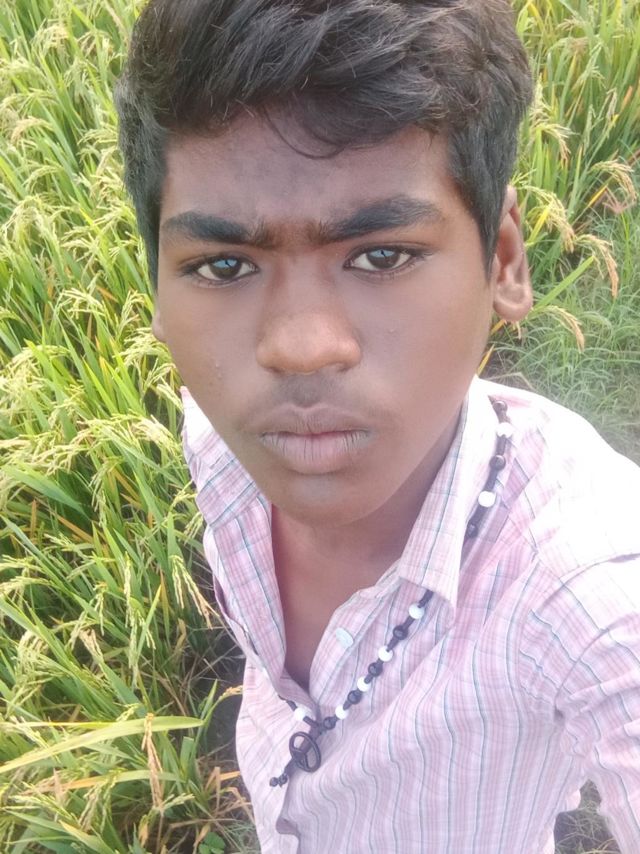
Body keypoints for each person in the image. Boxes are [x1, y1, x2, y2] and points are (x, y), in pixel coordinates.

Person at [114, 1, 640, 850]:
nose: (299, 348)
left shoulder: (584, 582)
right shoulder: (218, 439)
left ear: (503, 261)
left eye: (382, 255)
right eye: (225, 265)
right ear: (159, 292)